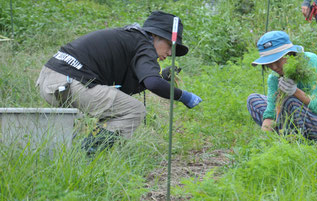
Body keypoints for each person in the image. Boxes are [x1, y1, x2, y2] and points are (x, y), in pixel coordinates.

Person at [36, 11, 203, 154]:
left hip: (50, 79)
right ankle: (85, 155)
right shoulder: (144, 44)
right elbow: (153, 84)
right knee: (134, 110)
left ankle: (79, 150)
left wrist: (160, 77)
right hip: (70, 82)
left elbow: (127, 86)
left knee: (119, 106)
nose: (169, 53)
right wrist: (184, 96)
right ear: (155, 36)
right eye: (169, 45)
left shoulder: (130, 38)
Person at [246, 30, 317, 139]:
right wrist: (264, 139)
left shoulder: (310, 62)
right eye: (269, 63)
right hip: (291, 118)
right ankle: (286, 132)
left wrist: (295, 91)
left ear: (290, 54)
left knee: (290, 101)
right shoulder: (274, 78)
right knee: (254, 100)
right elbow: (270, 112)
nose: (274, 67)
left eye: (277, 61)